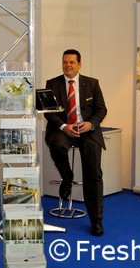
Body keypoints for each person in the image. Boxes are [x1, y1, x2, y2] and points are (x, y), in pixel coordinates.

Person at [43, 49, 108, 236]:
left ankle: (96, 221)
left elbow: (101, 110)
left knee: (93, 174)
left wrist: (91, 124)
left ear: (80, 64)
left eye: (72, 62)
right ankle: (67, 178)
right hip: (63, 128)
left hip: (87, 130)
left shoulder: (92, 83)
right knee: (57, 146)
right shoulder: (52, 84)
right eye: (65, 62)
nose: (68, 65)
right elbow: (48, 112)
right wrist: (64, 126)